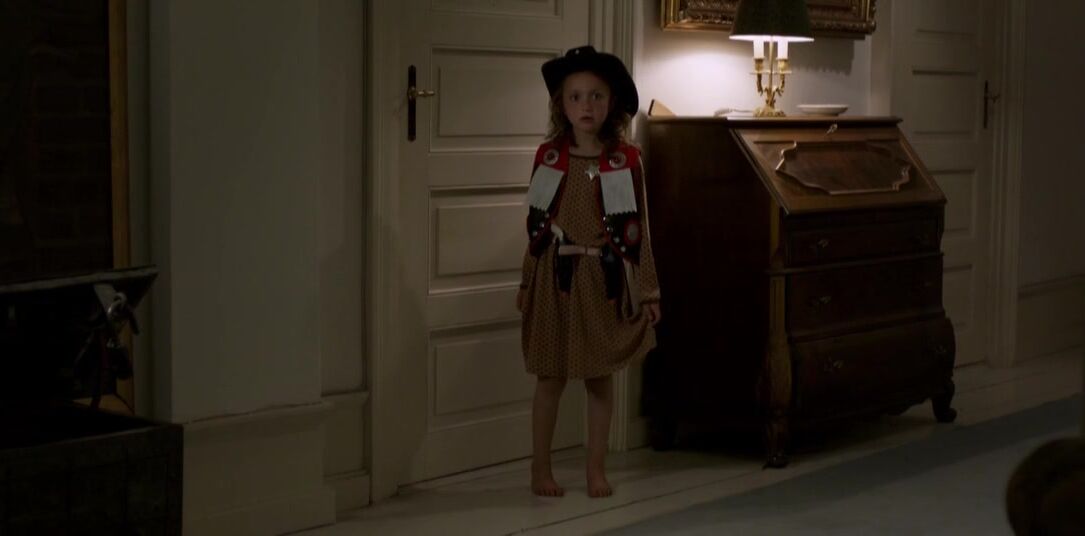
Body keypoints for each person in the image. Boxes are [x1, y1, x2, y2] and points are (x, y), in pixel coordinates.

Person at [517, 45, 661, 498]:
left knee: (600, 378)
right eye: (576, 96)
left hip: (601, 281)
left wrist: (649, 292)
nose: (586, 106)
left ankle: (595, 470)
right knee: (551, 377)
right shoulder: (550, 157)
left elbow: (639, 231)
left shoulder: (624, 160)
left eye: (597, 96)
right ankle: (541, 469)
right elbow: (536, 227)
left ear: (611, 102)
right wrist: (526, 281)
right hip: (553, 280)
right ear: (561, 104)